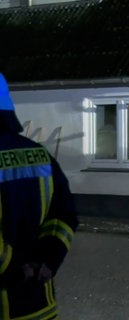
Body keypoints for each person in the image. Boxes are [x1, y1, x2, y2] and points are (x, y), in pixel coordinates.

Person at [0, 72, 79, 319]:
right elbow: (63, 217)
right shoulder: (40, 155)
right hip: (38, 302)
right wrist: (48, 259)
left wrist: (14, 268)